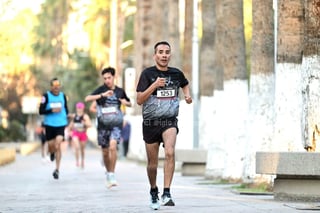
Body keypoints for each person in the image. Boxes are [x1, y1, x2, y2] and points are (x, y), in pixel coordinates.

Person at [136, 41, 192, 210]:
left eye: (167, 52)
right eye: (160, 52)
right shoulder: (147, 74)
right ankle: (154, 190)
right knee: (152, 164)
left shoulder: (176, 74)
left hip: (169, 120)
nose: (164, 55)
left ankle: (167, 192)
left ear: (170, 55)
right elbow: (139, 100)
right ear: (155, 55)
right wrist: (154, 85)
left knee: (169, 152)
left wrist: (187, 96)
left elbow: (185, 84)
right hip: (150, 122)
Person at [85, 67, 132, 188]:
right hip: (102, 125)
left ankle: (112, 174)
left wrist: (123, 101)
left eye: (109, 78)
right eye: (105, 78)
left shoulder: (120, 91)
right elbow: (87, 99)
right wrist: (102, 95)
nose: (107, 80)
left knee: (112, 147)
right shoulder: (101, 89)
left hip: (116, 124)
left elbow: (130, 103)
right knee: (105, 152)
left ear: (114, 77)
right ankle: (108, 172)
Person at [39, 77, 69, 180]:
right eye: (54, 86)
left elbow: (66, 109)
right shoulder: (46, 96)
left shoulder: (63, 96)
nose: (56, 88)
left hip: (61, 124)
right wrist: (52, 110)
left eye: (58, 86)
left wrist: (68, 118)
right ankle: (51, 153)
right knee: (51, 146)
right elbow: (41, 111)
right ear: (51, 87)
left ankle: (57, 170)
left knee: (58, 144)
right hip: (49, 125)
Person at [67, 102, 91, 168]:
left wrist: (85, 123)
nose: (79, 109)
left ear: (83, 108)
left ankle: (82, 160)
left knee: (82, 149)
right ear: (76, 108)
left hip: (83, 133)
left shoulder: (85, 116)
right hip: (76, 133)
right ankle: (77, 161)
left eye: (80, 108)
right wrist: (69, 131)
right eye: (78, 108)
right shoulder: (74, 116)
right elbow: (71, 125)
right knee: (77, 147)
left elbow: (89, 125)